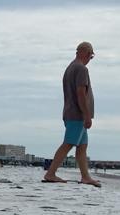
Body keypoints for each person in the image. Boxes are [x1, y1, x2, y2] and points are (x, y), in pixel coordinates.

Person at [42, 42, 100, 187]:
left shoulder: (70, 68)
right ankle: (50, 173)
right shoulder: (81, 69)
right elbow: (80, 93)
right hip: (77, 114)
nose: (90, 59)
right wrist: (87, 115)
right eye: (91, 56)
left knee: (82, 146)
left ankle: (85, 177)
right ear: (86, 53)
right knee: (68, 143)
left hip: (71, 113)